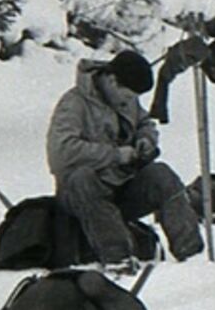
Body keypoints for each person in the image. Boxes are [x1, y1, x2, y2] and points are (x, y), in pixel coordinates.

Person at [46, 50, 204, 267]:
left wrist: (145, 140)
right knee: (83, 178)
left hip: (122, 186)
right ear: (112, 81)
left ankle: (191, 254)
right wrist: (115, 155)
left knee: (161, 174)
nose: (131, 102)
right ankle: (119, 260)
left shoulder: (125, 99)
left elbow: (145, 123)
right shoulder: (73, 104)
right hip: (80, 194)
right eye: (129, 96)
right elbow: (60, 152)